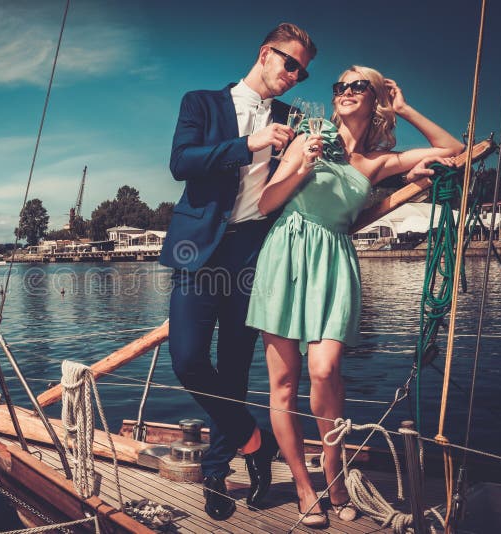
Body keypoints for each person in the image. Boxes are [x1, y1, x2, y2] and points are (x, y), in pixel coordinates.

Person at [245, 65, 463, 528]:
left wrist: (403, 108)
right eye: (339, 86)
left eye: (357, 85)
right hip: (285, 254)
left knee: (325, 372)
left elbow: (455, 150)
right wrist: (302, 166)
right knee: (283, 384)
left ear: (377, 98)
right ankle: (306, 488)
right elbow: (265, 203)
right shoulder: (310, 135)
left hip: (334, 262)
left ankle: (336, 476)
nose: (345, 91)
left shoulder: (380, 161)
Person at [159, 23, 317, 520]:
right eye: (289, 63)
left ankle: (215, 471)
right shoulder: (201, 103)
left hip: (254, 253)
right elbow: (181, 163)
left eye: (303, 71)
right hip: (196, 251)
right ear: (265, 54)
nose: (295, 75)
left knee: (232, 371)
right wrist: (251, 142)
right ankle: (256, 440)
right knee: (186, 359)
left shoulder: (296, 119)